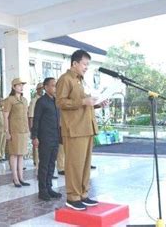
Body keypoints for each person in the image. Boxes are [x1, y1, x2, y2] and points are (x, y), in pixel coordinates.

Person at [56, 49, 108, 211]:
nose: (86, 67)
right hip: (74, 129)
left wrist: (98, 104)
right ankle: (73, 197)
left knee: (85, 165)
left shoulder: (81, 80)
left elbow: (85, 102)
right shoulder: (66, 79)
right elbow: (61, 102)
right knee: (74, 165)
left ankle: (83, 195)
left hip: (86, 127)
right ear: (75, 63)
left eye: (88, 64)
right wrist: (83, 101)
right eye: (85, 64)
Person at [31, 77, 63, 201]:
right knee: (44, 165)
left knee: (51, 164)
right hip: (44, 138)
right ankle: (42, 190)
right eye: (53, 85)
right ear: (46, 87)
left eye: (56, 86)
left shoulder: (56, 101)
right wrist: (34, 137)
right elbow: (36, 120)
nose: (55, 88)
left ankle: (49, 188)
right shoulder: (41, 102)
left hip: (55, 137)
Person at [3, 78, 30, 187]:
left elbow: (26, 116)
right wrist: (7, 132)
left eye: (22, 85)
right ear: (14, 87)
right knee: (14, 154)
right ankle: (15, 178)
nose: (21, 87)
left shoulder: (24, 100)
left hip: (23, 131)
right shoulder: (9, 100)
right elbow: (5, 116)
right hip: (14, 131)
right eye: (19, 85)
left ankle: (21, 178)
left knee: (21, 155)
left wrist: (28, 129)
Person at [28, 82, 44, 167]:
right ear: (37, 90)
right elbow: (31, 116)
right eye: (40, 89)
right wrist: (31, 128)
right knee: (36, 145)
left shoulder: (45, 99)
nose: (42, 90)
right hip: (36, 125)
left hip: (44, 126)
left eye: (43, 88)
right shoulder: (34, 101)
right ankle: (36, 160)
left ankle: (40, 159)